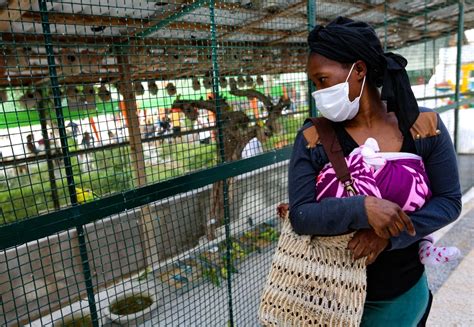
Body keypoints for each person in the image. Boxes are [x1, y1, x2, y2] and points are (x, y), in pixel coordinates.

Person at [288, 17, 461, 325]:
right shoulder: (313, 138)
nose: (318, 92)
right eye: (314, 83)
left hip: (402, 293)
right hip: (330, 299)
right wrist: (363, 208)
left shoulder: (424, 128)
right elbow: (301, 215)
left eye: (323, 80)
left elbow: (448, 202)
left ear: (359, 70)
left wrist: (388, 238)